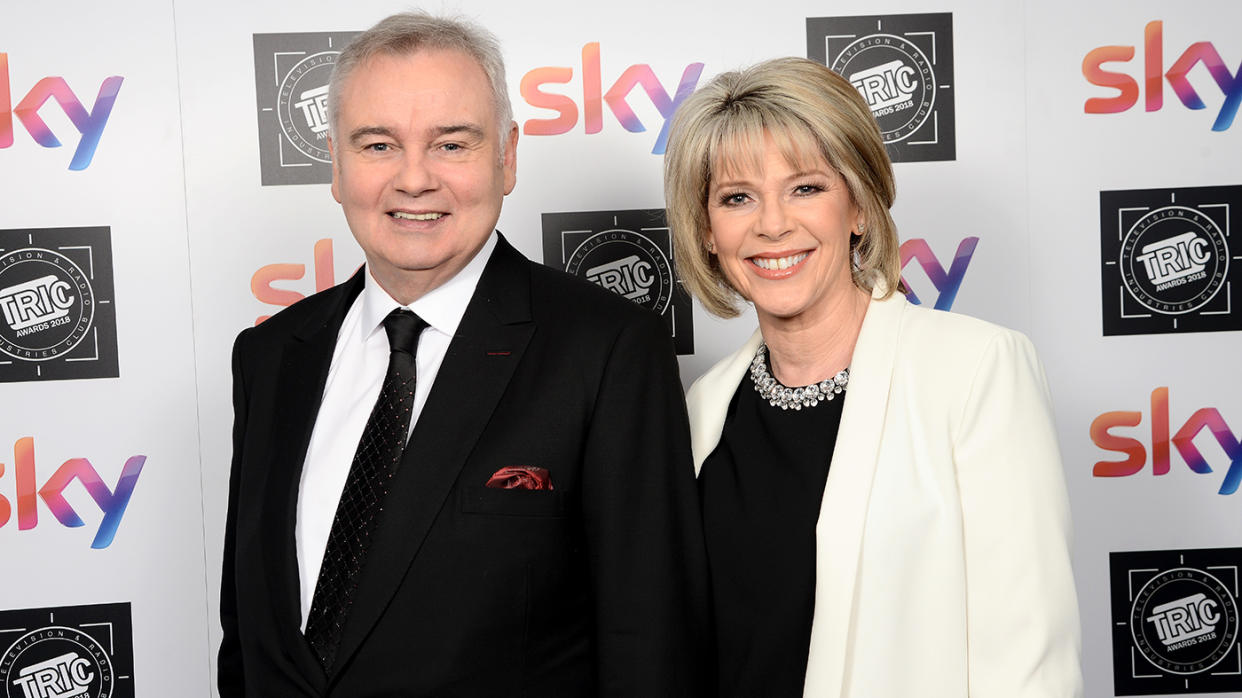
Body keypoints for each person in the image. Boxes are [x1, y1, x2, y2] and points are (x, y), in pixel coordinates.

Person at [219, 12, 708, 696]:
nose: (414, 179)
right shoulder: (271, 356)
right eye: (378, 145)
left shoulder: (607, 351)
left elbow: (651, 647)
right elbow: (248, 639)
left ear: (506, 157)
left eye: (451, 144)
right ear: (334, 163)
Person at [664, 57, 1082, 697]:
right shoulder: (704, 410)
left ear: (858, 206)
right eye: (737, 197)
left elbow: (1029, 663)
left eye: (805, 187)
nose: (772, 224)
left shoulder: (974, 372)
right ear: (709, 233)